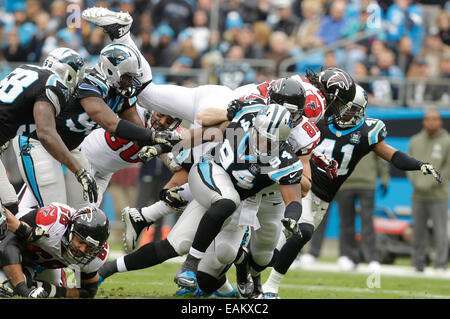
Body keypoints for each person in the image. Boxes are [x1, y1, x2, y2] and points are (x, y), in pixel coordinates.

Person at [260, 85, 442, 298]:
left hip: (325, 196)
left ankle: (254, 282)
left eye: (347, 108)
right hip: (302, 184)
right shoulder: (319, 120)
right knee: (304, 231)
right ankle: (270, 288)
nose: (341, 110)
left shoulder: (366, 131)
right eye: (339, 105)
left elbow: (393, 156)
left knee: (280, 247)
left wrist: (419, 165)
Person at [12, 43, 181, 212]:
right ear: (110, 71)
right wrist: (152, 137)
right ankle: (15, 230)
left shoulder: (122, 94)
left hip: (71, 148)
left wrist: (162, 148)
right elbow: (110, 123)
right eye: (128, 76)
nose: (131, 82)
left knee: (84, 215)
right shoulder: (91, 83)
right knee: (50, 210)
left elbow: (137, 130)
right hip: (41, 141)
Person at [0, 47, 96, 217]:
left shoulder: (25, 68)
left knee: (9, 207)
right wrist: (79, 171)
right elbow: (45, 133)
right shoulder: (54, 84)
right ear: (68, 74)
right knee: (9, 211)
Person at [0, 203, 110, 298]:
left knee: (9, 285)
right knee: (7, 282)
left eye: (90, 248)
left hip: (42, 263)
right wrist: (23, 289)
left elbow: (87, 291)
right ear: (71, 230)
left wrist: (53, 290)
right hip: (10, 245)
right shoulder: (53, 223)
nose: (82, 250)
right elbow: (9, 245)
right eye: (81, 241)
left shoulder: (95, 257)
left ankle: (31, 276)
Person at [406, 108, 450, 272]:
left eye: (435, 119)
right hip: (418, 194)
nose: (431, 121)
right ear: (424, 121)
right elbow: (409, 165)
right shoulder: (415, 140)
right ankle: (417, 263)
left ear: (440, 121)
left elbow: (448, 167)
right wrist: (416, 181)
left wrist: (434, 182)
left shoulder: (447, 141)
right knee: (418, 231)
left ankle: (440, 263)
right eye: (428, 118)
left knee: (440, 231)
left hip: (438, 195)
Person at [335, 151, 390, 271]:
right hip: (344, 183)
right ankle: (348, 256)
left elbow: (381, 155)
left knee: (367, 221)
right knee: (346, 221)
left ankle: (371, 258)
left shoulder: (371, 133)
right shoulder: (341, 132)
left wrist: (385, 178)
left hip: (367, 183)